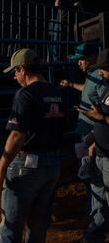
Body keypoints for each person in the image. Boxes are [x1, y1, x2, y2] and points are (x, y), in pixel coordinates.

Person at [0, 48, 66, 242]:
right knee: (38, 225)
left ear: (23, 69)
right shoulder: (56, 93)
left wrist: (0, 168)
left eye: (15, 71)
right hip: (52, 164)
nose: (15, 77)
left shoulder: (25, 94)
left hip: (27, 164)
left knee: (11, 227)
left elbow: (17, 135)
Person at [59, 42, 105, 215]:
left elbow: (104, 104)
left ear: (93, 57)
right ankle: (92, 206)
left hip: (92, 135)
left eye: (82, 59)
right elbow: (87, 90)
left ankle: (96, 211)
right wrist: (71, 85)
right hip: (83, 133)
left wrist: (94, 135)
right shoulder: (92, 75)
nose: (79, 63)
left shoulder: (99, 77)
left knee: (93, 174)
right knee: (86, 172)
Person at [76, 48, 109, 243]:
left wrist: (101, 118)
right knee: (98, 193)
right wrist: (93, 138)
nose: (101, 73)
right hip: (101, 151)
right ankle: (94, 234)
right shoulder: (106, 90)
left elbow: (104, 118)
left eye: (103, 69)